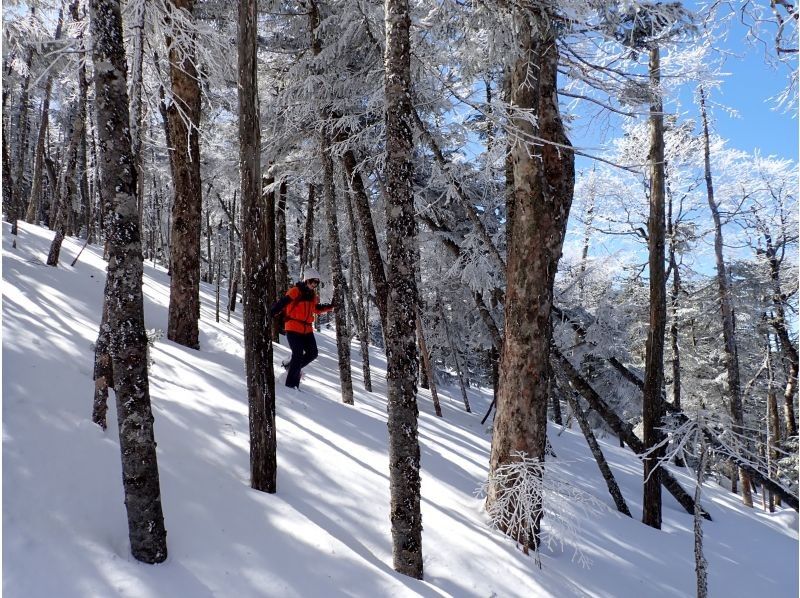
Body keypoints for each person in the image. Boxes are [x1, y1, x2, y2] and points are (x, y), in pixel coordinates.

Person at [270, 268, 335, 389]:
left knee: (313, 353)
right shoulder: (295, 291)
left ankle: (290, 366)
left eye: (317, 282)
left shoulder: (312, 295)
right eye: (312, 281)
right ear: (306, 280)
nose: (314, 284)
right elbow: (283, 302)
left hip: (307, 330)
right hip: (293, 327)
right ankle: (291, 385)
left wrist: (330, 307)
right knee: (298, 354)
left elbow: (316, 309)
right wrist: (272, 312)